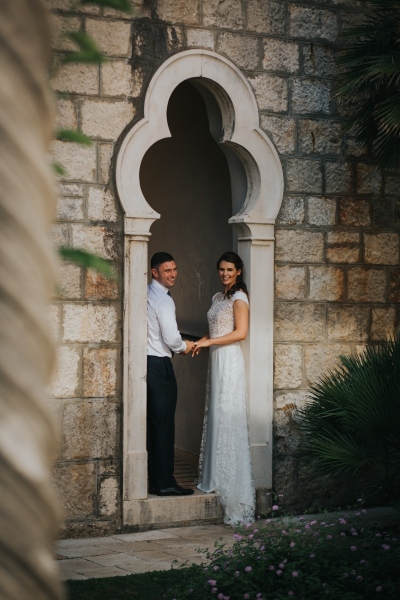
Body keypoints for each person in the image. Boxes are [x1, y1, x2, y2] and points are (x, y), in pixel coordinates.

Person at [193, 251, 255, 524]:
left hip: (229, 360)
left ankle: (229, 479)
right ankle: (214, 475)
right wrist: (200, 341)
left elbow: (240, 333)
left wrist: (210, 343)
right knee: (216, 413)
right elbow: (216, 330)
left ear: (239, 271)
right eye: (221, 269)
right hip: (217, 358)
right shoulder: (218, 297)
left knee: (227, 413)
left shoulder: (240, 298)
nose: (225, 273)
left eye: (230, 269)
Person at [147, 252, 195, 496]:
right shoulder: (164, 300)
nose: (173, 274)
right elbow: (171, 337)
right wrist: (185, 346)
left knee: (153, 425)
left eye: (175, 269)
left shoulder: (146, 293)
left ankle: (154, 481)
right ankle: (165, 483)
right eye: (167, 270)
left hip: (146, 364)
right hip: (159, 365)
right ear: (155, 272)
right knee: (164, 425)